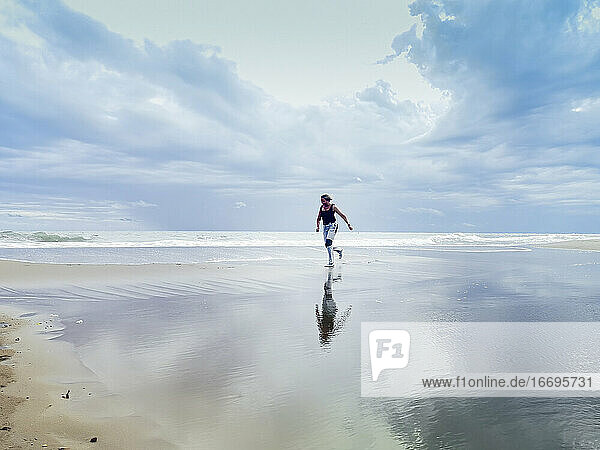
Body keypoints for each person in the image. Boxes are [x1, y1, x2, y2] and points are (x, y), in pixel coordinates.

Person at [315, 193, 353, 266]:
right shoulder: (321, 208)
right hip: (325, 227)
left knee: (329, 243)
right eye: (321, 201)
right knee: (327, 245)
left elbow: (342, 215)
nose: (322, 202)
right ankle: (338, 250)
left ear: (328, 200)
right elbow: (318, 218)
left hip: (333, 226)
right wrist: (318, 226)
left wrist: (348, 224)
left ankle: (331, 262)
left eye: (323, 201)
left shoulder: (333, 207)